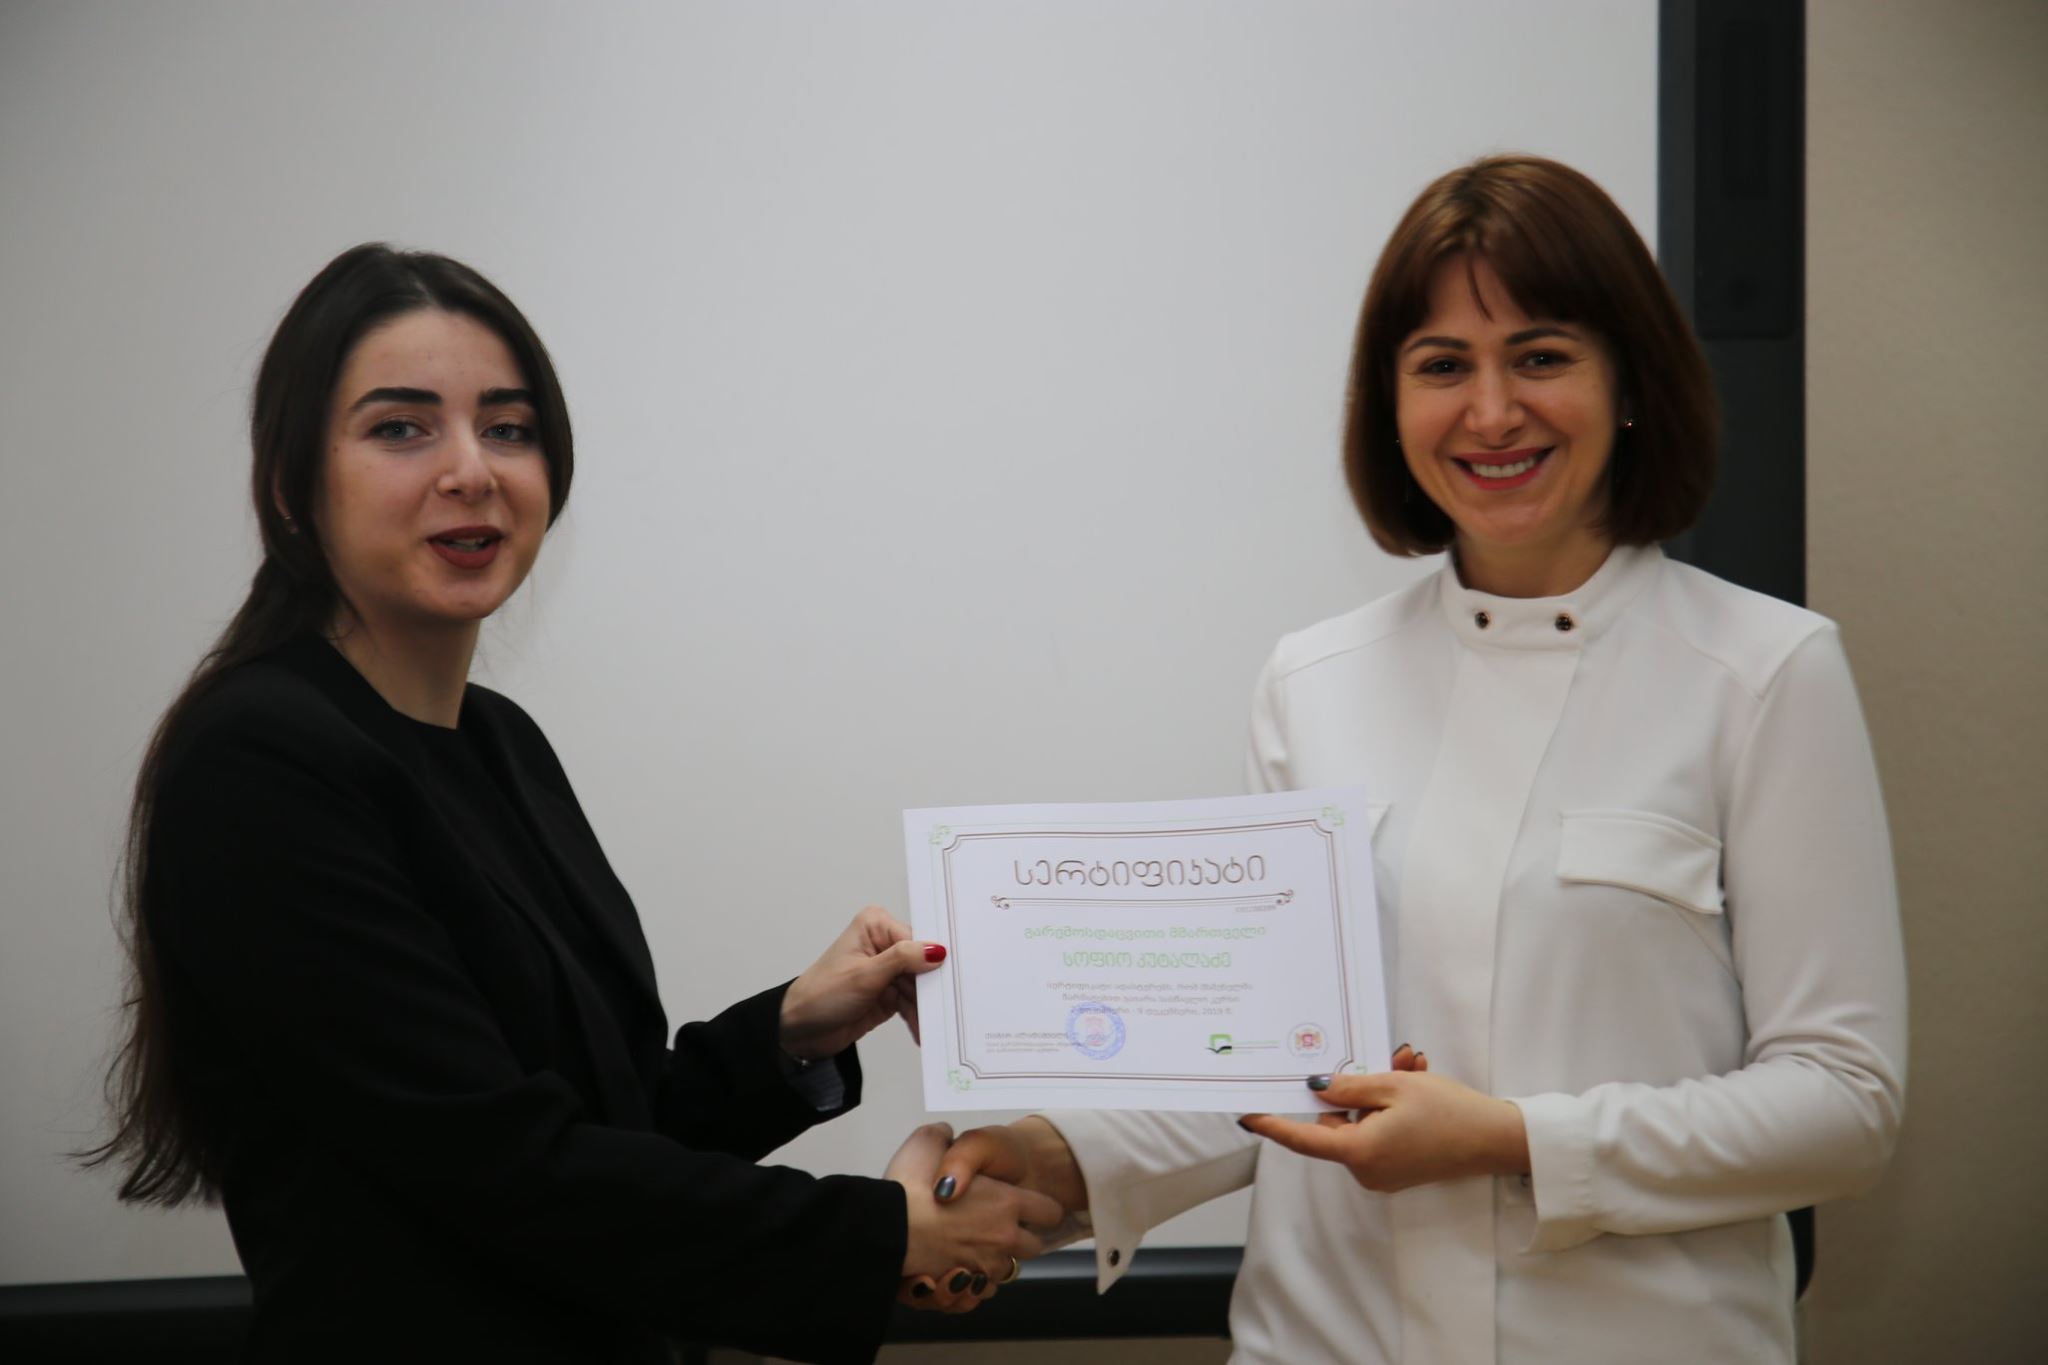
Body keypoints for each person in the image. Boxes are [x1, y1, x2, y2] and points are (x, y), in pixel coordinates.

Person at [908, 155, 1907, 1363]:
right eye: (1440, 366)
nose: (1489, 413)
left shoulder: (1763, 672)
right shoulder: (1311, 681)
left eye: (1539, 356)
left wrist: (1509, 1139)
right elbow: (1277, 1066)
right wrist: (1055, 1156)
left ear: (1629, 381)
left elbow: (1841, 1104)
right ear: (1388, 402)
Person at [84, 244, 1059, 1364]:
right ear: (288, 488)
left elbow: (607, 1125)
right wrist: (883, 1236)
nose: (471, 471)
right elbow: (503, 1170)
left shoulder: (498, 741)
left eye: (508, 429)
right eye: (400, 428)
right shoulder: (259, 758)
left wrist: (791, 1031)